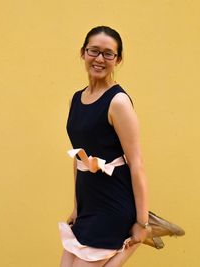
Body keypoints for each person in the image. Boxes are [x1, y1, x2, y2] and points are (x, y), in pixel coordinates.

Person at [59, 26, 152, 267]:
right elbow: (79, 157)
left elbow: (137, 163)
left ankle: (145, 229)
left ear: (118, 59)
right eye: (94, 51)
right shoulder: (76, 99)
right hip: (88, 205)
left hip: (112, 205)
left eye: (108, 54)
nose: (100, 59)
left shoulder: (118, 102)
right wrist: (77, 207)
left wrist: (141, 223)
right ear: (83, 53)